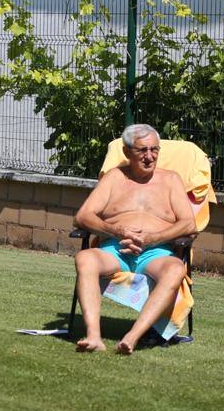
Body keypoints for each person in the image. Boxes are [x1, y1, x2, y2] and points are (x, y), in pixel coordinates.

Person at [72, 124, 196, 354]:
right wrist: (115, 230)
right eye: (142, 151)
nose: (150, 157)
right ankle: (93, 336)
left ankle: (133, 336)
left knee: (175, 269)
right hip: (115, 249)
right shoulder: (114, 178)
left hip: (155, 252)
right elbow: (82, 216)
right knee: (85, 258)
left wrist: (153, 238)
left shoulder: (170, 180)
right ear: (127, 151)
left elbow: (189, 223)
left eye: (154, 150)